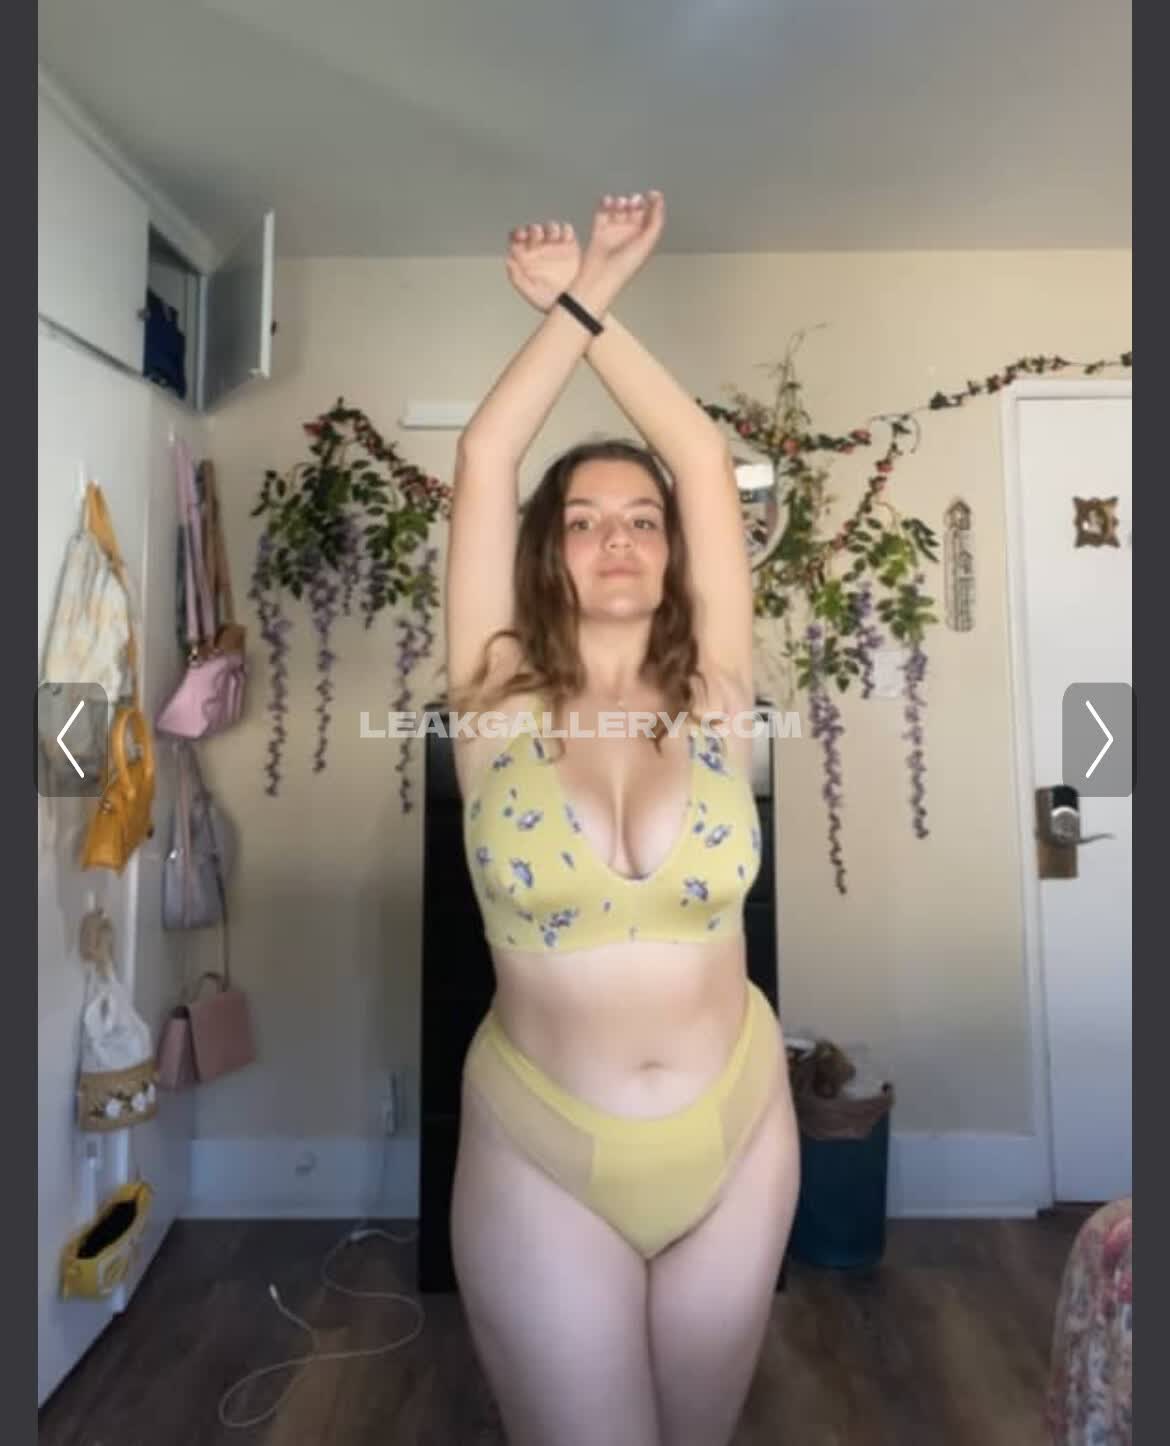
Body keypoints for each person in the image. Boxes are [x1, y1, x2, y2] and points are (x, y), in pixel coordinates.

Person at [445, 191, 800, 1446]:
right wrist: (575, 299)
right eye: (585, 521)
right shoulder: (493, 702)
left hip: (740, 1129)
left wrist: (595, 301)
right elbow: (485, 459)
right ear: (548, 553)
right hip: (544, 1149)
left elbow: (700, 461)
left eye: (642, 522)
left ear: (673, 552)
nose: (619, 540)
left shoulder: (719, 696)